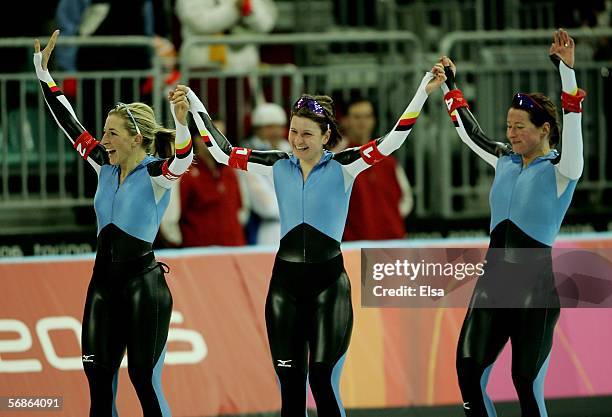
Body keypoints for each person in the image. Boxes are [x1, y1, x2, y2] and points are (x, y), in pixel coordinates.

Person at [176, 63, 446, 416]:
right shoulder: (277, 164)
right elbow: (222, 151)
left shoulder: (346, 165)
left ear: (325, 136)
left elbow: (393, 138)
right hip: (284, 287)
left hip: (328, 287)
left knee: (321, 380)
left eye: (307, 134)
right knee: (289, 387)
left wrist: (423, 91)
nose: (298, 141)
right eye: (293, 132)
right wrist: (195, 105)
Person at [34, 30, 194, 417]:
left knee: (143, 380)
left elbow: (184, 159)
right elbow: (68, 122)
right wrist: (43, 73)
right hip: (102, 286)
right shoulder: (102, 166)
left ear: (136, 138)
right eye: (104, 132)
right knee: (97, 381)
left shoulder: (156, 173)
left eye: (111, 133)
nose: (102, 139)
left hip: (145, 289)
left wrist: (182, 123)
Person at [439, 28, 585, 417]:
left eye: (520, 126)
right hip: (493, 284)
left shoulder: (562, 169)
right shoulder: (503, 159)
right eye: (508, 126)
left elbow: (573, 128)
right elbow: (471, 133)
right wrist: (449, 87)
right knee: (468, 369)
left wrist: (566, 73)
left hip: (534, 291)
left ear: (544, 130)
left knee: (525, 382)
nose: (511, 133)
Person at [159, 118, 248, 247]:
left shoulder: (232, 171)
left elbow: (242, 211)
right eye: (213, 136)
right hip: (199, 256)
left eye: (222, 136)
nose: (219, 142)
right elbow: (169, 221)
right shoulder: (184, 174)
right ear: (197, 139)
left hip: (234, 252)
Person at [340, 97, 414, 241]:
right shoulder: (338, 162)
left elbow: (407, 199)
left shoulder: (390, 163)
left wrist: (388, 218)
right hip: (354, 245)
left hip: (391, 242)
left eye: (367, 116)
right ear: (346, 121)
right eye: (356, 117)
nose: (362, 122)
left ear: (373, 120)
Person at [242, 102, 290, 245]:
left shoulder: (293, 152)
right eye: (269, 127)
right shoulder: (248, 158)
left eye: (279, 126)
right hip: (267, 231)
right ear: (257, 129)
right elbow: (267, 207)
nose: (275, 131)